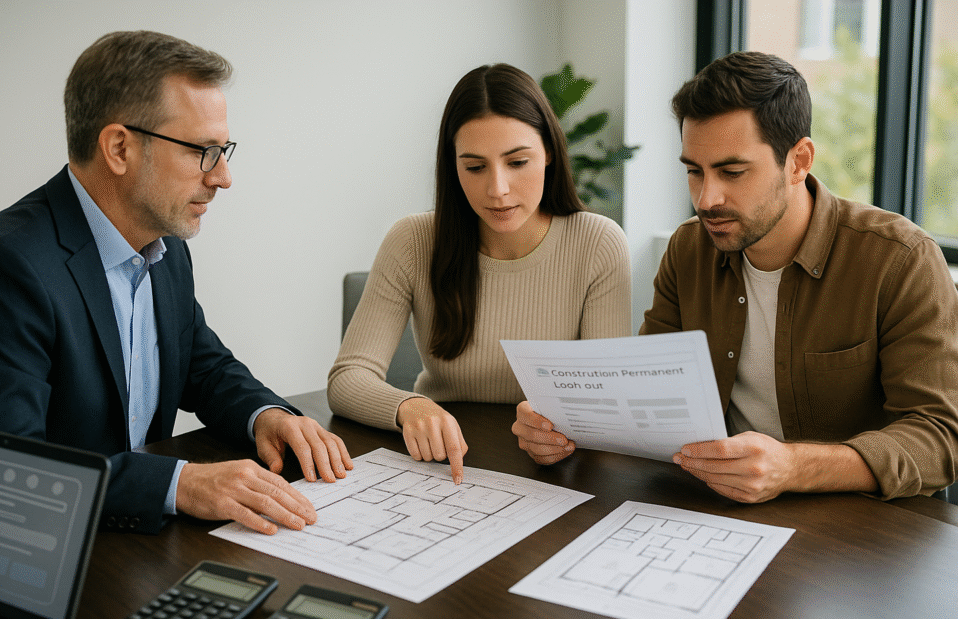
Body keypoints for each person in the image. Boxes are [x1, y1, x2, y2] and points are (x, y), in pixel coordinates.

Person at [0, 30, 352, 535]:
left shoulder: (165, 245)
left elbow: (201, 361)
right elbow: (9, 472)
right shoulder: (0, 270)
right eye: (204, 150)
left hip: (136, 546)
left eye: (225, 151)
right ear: (118, 148)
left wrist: (264, 415)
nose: (222, 177)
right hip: (45, 559)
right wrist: (181, 485)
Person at [513, 51, 958, 502]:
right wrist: (559, 425)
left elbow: (941, 437)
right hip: (722, 508)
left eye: (732, 171)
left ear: (799, 161)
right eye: (694, 171)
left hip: (863, 529)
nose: (706, 199)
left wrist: (794, 467)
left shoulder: (900, 260)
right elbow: (650, 397)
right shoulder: (689, 250)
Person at [328, 63, 632, 485]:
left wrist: (560, 432)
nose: (498, 189)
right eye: (475, 167)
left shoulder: (598, 243)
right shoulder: (413, 240)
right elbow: (347, 379)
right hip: (438, 466)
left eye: (518, 161)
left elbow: (607, 403)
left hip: (554, 473)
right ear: (453, 168)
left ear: (549, 154)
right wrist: (409, 407)